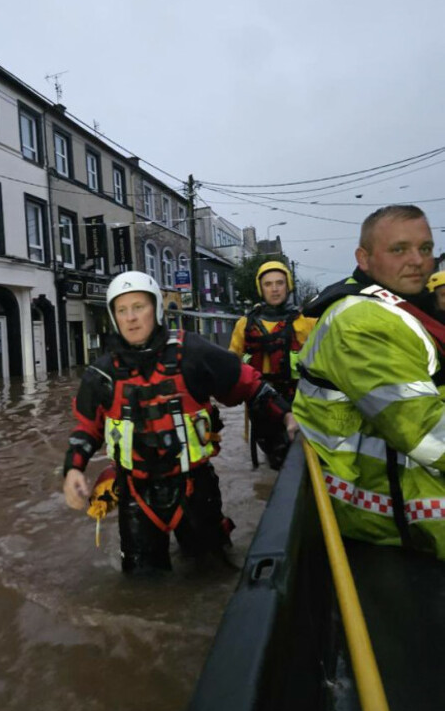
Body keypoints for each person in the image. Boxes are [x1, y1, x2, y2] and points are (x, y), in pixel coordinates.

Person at [63, 270, 298, 573]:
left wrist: (288, 414)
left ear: (156, 310)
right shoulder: (102, 374)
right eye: (122, 310)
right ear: (113, 316)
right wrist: (73, 469)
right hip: (136, 493)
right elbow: (86, 429)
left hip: (195, 488)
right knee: (143, 584)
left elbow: (251, 385)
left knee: (212, 574)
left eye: (139, 307)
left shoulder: (193, 352)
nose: (131, 318)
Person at [293, 205, 445, 559]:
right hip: (387, 506)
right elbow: (429, 437)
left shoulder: (400, 308)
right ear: (364, 258)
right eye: (398, 249)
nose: (417, 260)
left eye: (425, 249)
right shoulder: (363, 322)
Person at [229, 261, 315, 468]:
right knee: (273, 453)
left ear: (288, 286)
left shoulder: (305, 322)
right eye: (268, 284)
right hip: (261, 399)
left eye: (279, 283)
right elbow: (232, 361)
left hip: (296, 396)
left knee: (292, 454)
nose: (274, 289)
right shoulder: (245, 324)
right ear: (261, 288)